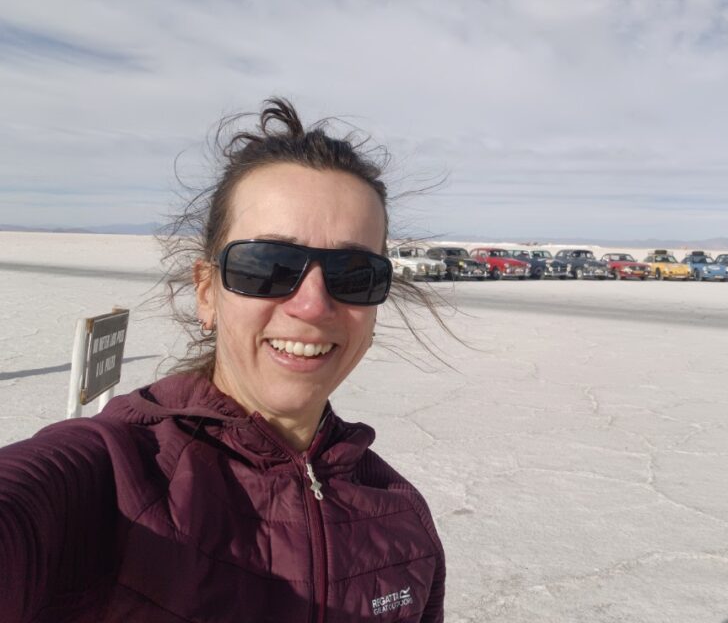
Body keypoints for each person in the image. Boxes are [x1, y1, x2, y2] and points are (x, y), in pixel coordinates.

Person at [0, 99, 445, 622]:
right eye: (268, 266)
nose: (313, 305)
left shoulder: (401, 518)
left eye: (353, 273)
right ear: (207, 292)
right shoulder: (110, 478)